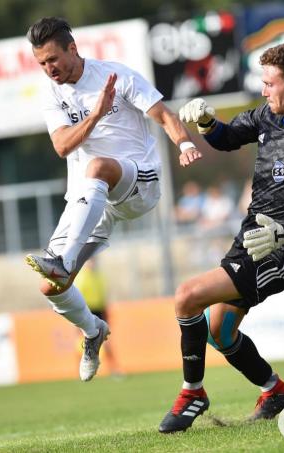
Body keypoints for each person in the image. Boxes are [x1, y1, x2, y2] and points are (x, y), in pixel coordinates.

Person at [158, 42, 284, 433]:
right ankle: (275, 391)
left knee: (186, 296)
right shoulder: (268, 115)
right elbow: (227, 138)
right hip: (249, 239)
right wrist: (208, 124)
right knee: (219, 332)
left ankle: (192, 392)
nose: (264, 91)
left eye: (269, 83)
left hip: (281, 253)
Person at [23, 17, 203, 382]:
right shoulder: (50, 94)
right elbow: (61, 146)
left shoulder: (117, 76)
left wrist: (184, 143)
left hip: (139, 181)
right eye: (41, 63)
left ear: (72, 49)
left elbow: (163, 115)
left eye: (53, 59)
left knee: (99, 165)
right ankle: (93, 331)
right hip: (92, 199)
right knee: (50, 287)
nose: (49, 69)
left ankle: (63, 258)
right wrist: (95, 115)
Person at [74, 258, 123, 378]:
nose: (91, 263)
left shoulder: (99, 276)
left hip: (99, 310)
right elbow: (76, 297)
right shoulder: (80, 277)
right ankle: (80, 369)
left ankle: (114, 369)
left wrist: (105, 310)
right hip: (86, 311)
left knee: (106, 341)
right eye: (89, 261)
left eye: (92, 260)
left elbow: (103, 294)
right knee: (81, 342)